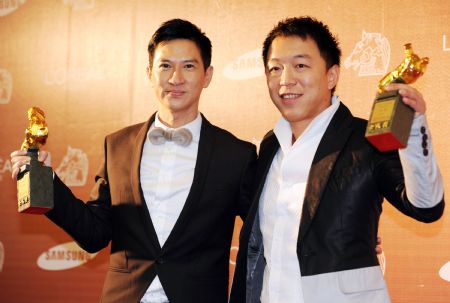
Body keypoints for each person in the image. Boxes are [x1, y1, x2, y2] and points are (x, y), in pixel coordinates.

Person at [11, 19, 256, 303]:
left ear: (207, 75)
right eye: (165, 66)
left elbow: (261, 240)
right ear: (149, 72)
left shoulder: (237, 155)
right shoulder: (118, 146)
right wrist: (44, 181)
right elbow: (94, 234)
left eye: (188, 66)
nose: (176, 78)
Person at [229, 16, 445, 303]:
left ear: (331, 75)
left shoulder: (364, 139)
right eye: (275, 68)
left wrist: (414, 127)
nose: (285, 79)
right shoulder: (270, 145)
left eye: (300, 66)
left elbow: (426, 206)